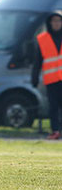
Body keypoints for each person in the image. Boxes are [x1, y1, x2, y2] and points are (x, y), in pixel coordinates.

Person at [31, 11, 62, 139]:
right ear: (49, 23)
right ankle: (55, 131)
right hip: (52, 80)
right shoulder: (43, 39)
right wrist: (34, 77)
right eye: (54, 21)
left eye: (59, 21)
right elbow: (38, 61)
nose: (56, 23)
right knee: (53, 107)